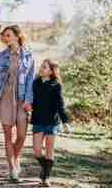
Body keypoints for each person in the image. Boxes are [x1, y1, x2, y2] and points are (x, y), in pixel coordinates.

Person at [0, 25, 34, 181]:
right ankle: (12, 169)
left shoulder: (28, 56)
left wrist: (29, 101)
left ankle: (15, 158)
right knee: (8, 136)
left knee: (22, 136)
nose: (5, 38)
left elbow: (30, 81)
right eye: (4, 36)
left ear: (17, 36)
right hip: (5, 99)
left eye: (8, 35)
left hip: (22, 100)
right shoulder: (1, 57)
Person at [30, 59, 71, 187]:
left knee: (49, 150)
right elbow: (32, 100)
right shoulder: (35, 83)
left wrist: (65, 122)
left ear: (51, 72)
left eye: (44, 67)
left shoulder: (56, 85)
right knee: (36, 150)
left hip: (52, 122)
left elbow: (60, 105)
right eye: (41, 66)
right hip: (38, 120)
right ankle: (46, 167)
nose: (41, 69)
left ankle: (46, 177)